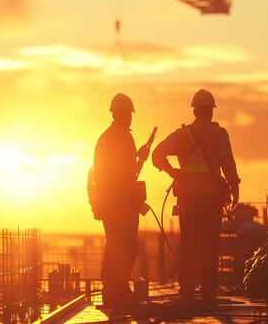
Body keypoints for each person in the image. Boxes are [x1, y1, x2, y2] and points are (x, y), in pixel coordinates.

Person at [152, 89, 240, 305]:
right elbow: (228, 163)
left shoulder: (181, 135)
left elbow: (157, 155)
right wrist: (234, 186)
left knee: (188, 244)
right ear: (210, 111)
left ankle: (187, 292)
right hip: (210, 199)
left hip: (187, 198)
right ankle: (209, 293)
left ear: (194, 110)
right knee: (210, 245)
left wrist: (174, 172)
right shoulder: (219, 134)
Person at [92, 93, 149, 305]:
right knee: (126, 246)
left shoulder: (105, 137)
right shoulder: (123, 136)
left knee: (116, 245)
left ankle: (113, 290)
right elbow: (125, 173)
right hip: (120, 202)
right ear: (126, 115)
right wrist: (140, 157)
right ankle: (119, 290)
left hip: (109, 201)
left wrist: (139, 157)